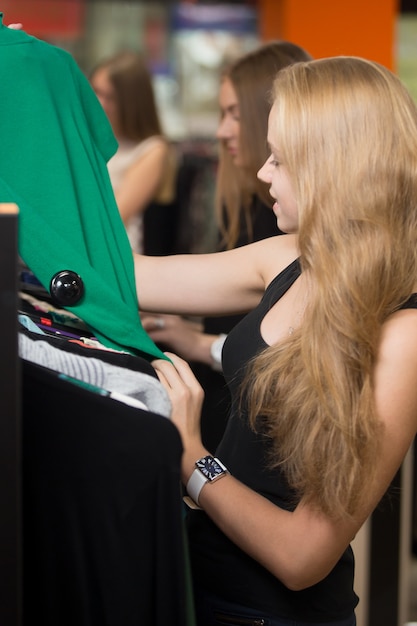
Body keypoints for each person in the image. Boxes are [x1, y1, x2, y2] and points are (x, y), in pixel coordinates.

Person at [134, 57, 417, 625]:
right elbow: (125, 274)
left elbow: (302, 556)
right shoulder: (289, 259)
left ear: (334, 167)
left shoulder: (403, 332)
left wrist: (194, 460)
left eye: (281, 160)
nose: (263, 174)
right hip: (201, 585)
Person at [143, 41, 312, 451]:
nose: (221, 131)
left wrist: (200, 344)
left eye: (234, 113)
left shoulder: (285, 237)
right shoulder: (260, 219)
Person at [90, 50, 178, 255]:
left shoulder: (153, 149)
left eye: (109, 96)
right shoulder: (93, 138)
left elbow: (117, 216)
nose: (99, 102)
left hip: (118, 257)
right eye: (95, 91)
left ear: (131, 102)